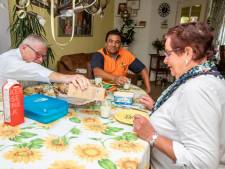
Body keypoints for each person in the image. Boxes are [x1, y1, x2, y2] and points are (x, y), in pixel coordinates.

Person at [133, 22, 225, 169]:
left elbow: (202, 163)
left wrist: (152, 135)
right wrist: (159, 106)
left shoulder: (197, 89)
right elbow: (187, 112)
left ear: (188, 53)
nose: (165, 60)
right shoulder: (206, 76)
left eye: (169, 54)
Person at [0, 34, 90, 92]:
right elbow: (36, 70)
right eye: (38, 54)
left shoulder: (26, 59)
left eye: (43, 56)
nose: (41, 60)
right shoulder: (8, 60)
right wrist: (70, 77)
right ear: (24, 48)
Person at [91, 29, 151, 94]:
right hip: (102, 90)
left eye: (117, 42)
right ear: (106, 43)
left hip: (121, 90)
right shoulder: (99, 54)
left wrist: (148, 89)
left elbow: (143, 69)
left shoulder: (126, 54)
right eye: (110, 41)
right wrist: (115, 78)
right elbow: (97, 72)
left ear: (120, 44)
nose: (114, 44)